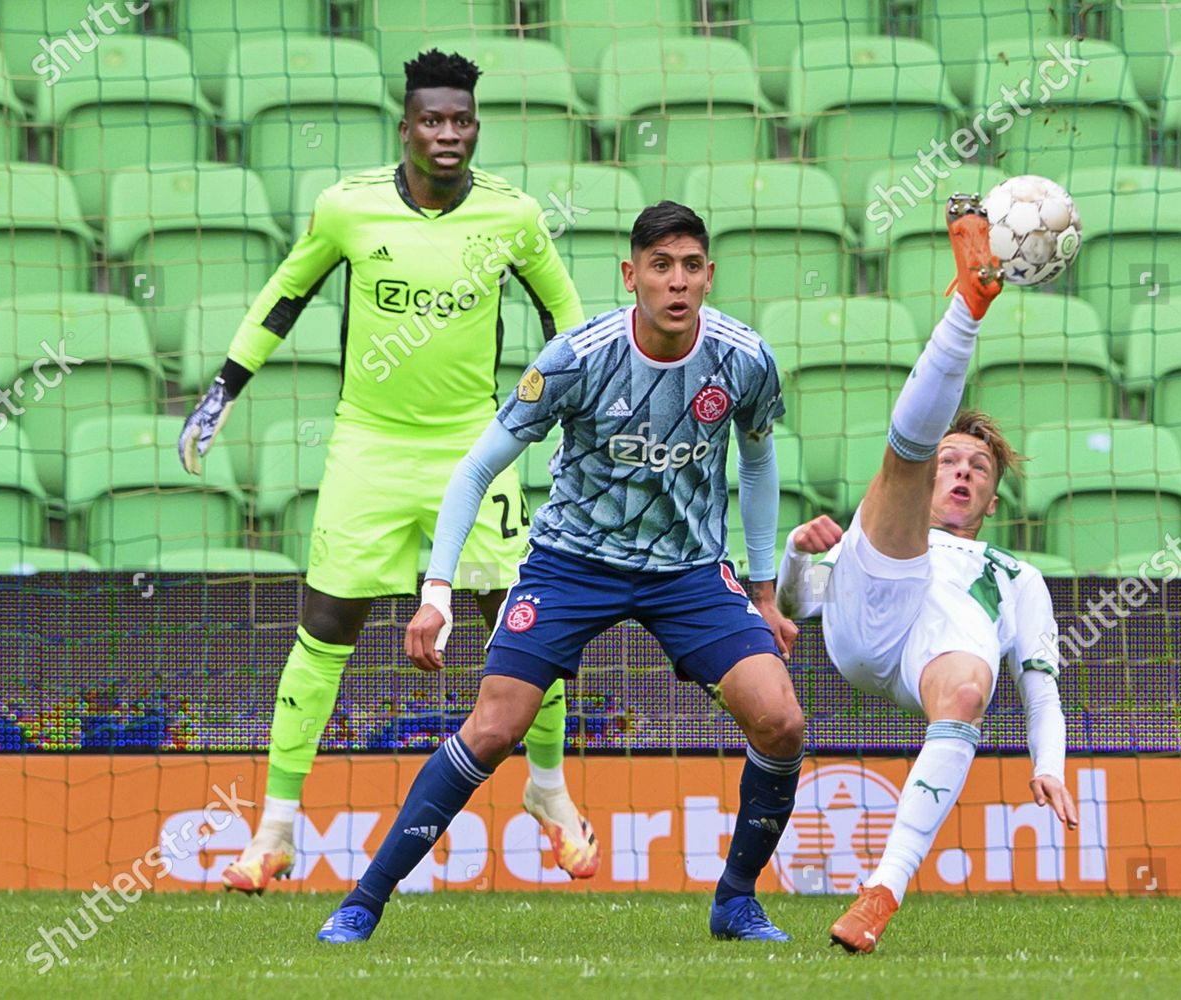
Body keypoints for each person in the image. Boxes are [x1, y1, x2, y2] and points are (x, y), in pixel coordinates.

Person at [316, 201, 808, 944]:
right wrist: (437, 591)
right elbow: (477, 467)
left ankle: (736, 901)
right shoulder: (578, 357)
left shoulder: (743, 359)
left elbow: (761, 457)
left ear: (709, 275)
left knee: (782, 720)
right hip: (571, 564)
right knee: (494, 726)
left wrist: (765, 591)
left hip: (689, 571)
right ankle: (363, 901)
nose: (676, 282)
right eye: (659, 266)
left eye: (690, 266)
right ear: (631, 275)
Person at [176, 50, 599, 893]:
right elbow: (284, 296)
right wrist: (223, 389)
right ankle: (275, 834)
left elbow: (568, 316)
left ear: (475, 128)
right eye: (432, 120)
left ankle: (548, 793)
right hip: (366, 448)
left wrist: (575, 410)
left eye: (462, 121)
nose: (448, 134)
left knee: (526, 628)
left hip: (478, 451)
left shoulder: (513, 217)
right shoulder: (348, 209)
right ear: (405, 128)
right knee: (323, 630)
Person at [775, 194, 1078, 954]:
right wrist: (795, 554)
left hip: (932, 659)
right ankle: (968, 307)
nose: (964, 473)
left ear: (993, 496)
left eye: (978, 467)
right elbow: (798, 607)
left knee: (974, 688)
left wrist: (1050, 765)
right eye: (953, 461)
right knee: (897, 468)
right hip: (869, 612)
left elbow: (1039, 685)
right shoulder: (890, 516)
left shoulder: (1018, 576)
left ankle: (881, 891)